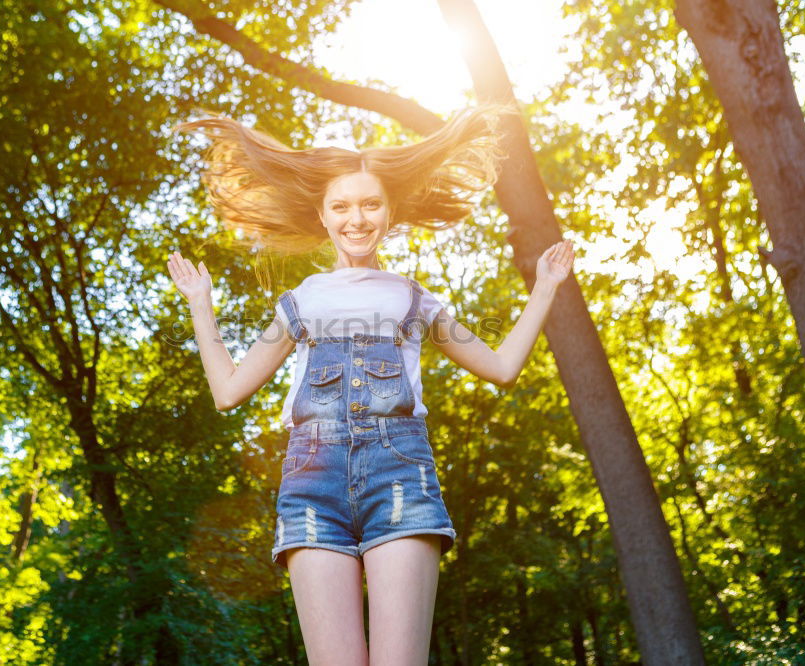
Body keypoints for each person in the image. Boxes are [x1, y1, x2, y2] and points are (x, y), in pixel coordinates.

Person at [166, 106, 575, 665]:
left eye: (370, 203)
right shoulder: (301, 302)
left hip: (400, 476)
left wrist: (546, 288)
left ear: (390, 211)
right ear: (323, 214)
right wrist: (200, 306)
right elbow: (228, 391)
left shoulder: (414, 299)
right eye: (341, 206)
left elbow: (501, 368)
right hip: (312, 484)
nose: (356, 218)